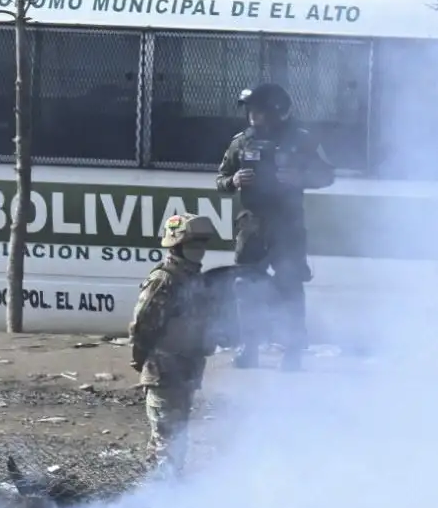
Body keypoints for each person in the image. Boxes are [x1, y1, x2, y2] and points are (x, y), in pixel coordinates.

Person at [215, 82, 334, 371]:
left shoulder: (302, 140)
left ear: (277, 111)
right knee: (246, 286)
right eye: (250, 111)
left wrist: (300, 177)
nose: (253, 116)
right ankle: (249, 347)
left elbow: (327, 175)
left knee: (289, 285)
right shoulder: (241, 142)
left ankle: (292, 350)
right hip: (252, 226)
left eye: (260, 111)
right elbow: (221, 180)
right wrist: (233, 182)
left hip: (287, 226)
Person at [130, 213, 216, 474]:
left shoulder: (194, 280)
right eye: (193, 244)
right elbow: (141, 324)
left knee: (174, 440)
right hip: (164, 372)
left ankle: (162, 497)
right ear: (176, 245)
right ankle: (160, 503)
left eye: (202, 243)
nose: (199, 250)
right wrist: (141, 359)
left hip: (186, 372)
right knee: (168, 444)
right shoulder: (165, 280)